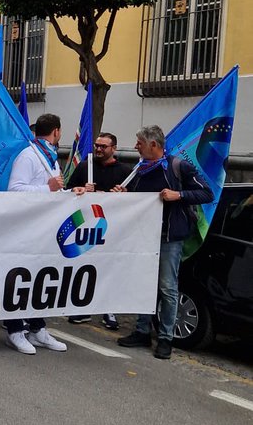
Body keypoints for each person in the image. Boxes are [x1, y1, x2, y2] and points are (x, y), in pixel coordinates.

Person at [115, 125, 213, 361]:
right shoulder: (140, 169)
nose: (136, 146)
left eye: (140, 142)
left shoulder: (178, 167)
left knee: (167, 287)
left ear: (154, 145)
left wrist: (178, 195)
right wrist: (122, 193)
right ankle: (141, 331)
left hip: (169, 238)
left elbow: (207, 193)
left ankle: (166, 338)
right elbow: (136, 198)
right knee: (142, 283)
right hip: (144, 237)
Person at [4, 112, 68, 355]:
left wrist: (72, 192)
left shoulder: (50, 157)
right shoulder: (29, 156)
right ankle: (14, 330)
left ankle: (37, 328)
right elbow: (15, 190)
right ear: (56, 131)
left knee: (40, 279)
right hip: (25, 230)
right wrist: (47, 187)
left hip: (45, 229)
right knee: (20, 279)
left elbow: (54, 191)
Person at [66, 131, 131, 330]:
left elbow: (136, 200)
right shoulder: (85, 167)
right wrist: (81, 190)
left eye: (104, 146)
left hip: (113, 228)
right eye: (97, 145)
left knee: (110, 267)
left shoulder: (125, 171)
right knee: (87, 266)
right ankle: (83, 307)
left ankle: (108, 309)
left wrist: (124, 194)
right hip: (87, 226)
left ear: (114, 148)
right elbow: (68, 190)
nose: (99, 149)